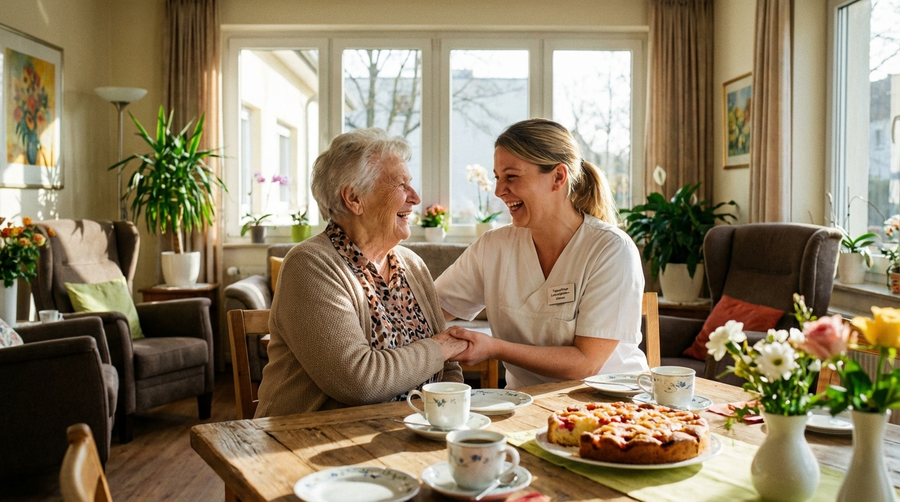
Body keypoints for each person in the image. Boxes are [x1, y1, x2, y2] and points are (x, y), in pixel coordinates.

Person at [255, 128, 470, 417]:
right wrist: (440, 347)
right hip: (312, 440)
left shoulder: (412, 265)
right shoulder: (310, 265)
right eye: (401, 185)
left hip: (409, 432)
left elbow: (449, 368)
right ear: (354, 198)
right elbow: (359, 381)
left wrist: (444, 419)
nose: (415, 197)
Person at [436, 118, 648, 389]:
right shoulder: (493, 247)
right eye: (498, 177)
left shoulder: (611, 250)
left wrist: (495, 348)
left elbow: (586, 363)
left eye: (511, 176)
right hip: (524, 406)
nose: (500, 191)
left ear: (558, 177)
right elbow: (428, 311)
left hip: (607, 407)